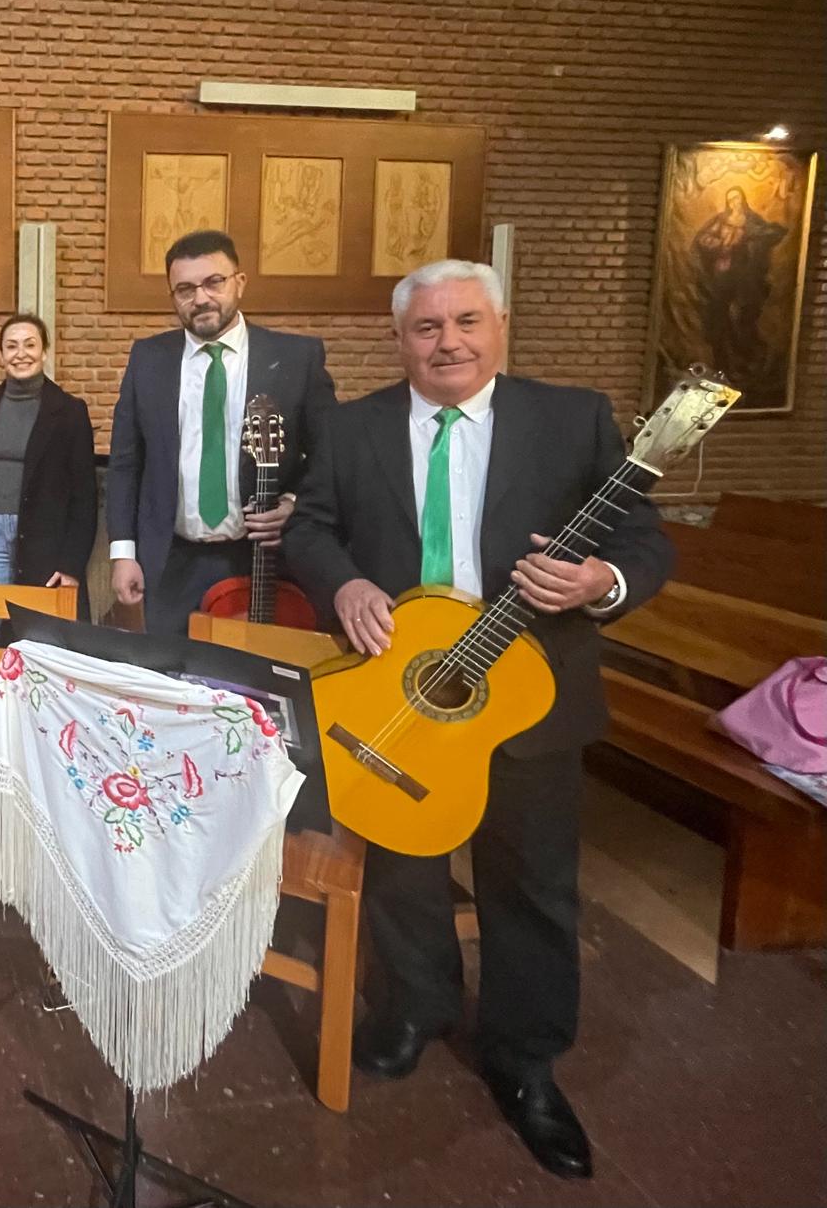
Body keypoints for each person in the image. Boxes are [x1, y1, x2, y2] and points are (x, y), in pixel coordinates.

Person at [283, 259, 674, 1180]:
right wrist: (343, 584)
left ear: (499, 325)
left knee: (531, 881)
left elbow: (643, 538)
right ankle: (415, 1006)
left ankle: (524, 1058)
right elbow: (309, 528)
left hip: (531, 696)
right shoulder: (350, 427)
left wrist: (597, 583)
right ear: (400, 339)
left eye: (466, 321)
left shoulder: (570, 418)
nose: (448, 341)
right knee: (404, 866)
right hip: (407, 688)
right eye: (427, 327)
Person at [105, 229, 338, 636]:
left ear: (240, 283)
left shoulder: (295, 358)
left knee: (257, 686)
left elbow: (331, 454)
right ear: (173, 296)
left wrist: (294, 503)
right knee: (174, 682)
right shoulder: (148, 358)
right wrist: (123, 553)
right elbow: (126, 462)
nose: (201, 298)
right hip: (172, 560)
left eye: (214, 282)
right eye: (185, 289)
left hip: (264, 560)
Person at [0, 314, 96, 646]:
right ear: (0, 355)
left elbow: (85, 495)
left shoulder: (69, 411)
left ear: (44, 352)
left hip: (45, 540)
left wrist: (71, 564)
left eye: (30, 345)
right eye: (11, 346)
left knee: (44, 640)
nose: (20, 353)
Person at [692, 186, 788, 381]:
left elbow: (771, 235)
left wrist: (750, 241)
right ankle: (722, 363)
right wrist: (721, 244)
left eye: (737, 198)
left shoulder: (753, 221)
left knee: (743, 316)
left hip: (745, 276)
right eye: (730, 199)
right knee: (719, 314)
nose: (734, 203)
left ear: (742, 200)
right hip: (723, 273)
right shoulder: (720, 221)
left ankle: (746, 360)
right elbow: (702, 239)